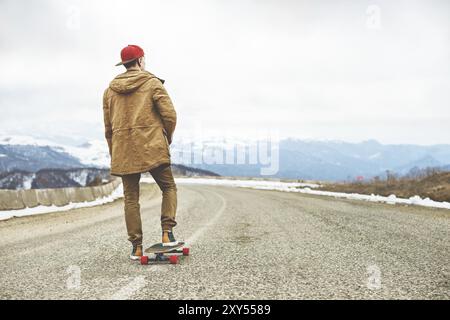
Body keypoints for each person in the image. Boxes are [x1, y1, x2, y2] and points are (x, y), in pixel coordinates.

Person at [103, 45, 179, 260]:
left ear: (124, 64)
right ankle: (167, 233)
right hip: (152, 145)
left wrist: (115, 152)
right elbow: (170, 115)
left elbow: (108, 129)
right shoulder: (152, 83)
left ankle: (136, 247)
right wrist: (166, 137)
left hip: (123, 150)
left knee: (131, 198)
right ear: (140, 60)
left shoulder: (109, 91)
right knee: (168, 187)